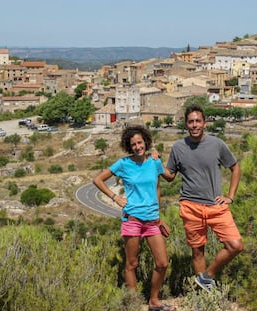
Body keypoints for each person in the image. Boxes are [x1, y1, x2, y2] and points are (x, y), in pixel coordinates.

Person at [93, 125, 176, 311]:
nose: (138, 146)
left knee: (162, 263)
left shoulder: (154, 162)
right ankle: (133, 304)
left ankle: (154, 301)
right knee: (132, 263)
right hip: (133, 220)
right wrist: (116, 198)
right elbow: (97, 180)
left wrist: (159, 216)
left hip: (153, 221)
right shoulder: (123, 164)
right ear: (129, 146)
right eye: (134, 144)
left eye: (140, 142)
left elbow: (157, 188)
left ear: (146, 141)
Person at [162, 104, 243, 292]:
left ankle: (207, 276)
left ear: (204, 123)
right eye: (191, 121)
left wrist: (230, 196)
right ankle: (201, 297)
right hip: (190, 206)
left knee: (235, 245)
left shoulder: (217, 144)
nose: (194, 125)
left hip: (216, 206)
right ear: (185, 124)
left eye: (198, 121)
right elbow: (170, 176)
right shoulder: (178, 148)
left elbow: (235, 167)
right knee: (198, 252)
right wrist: (157, 165)